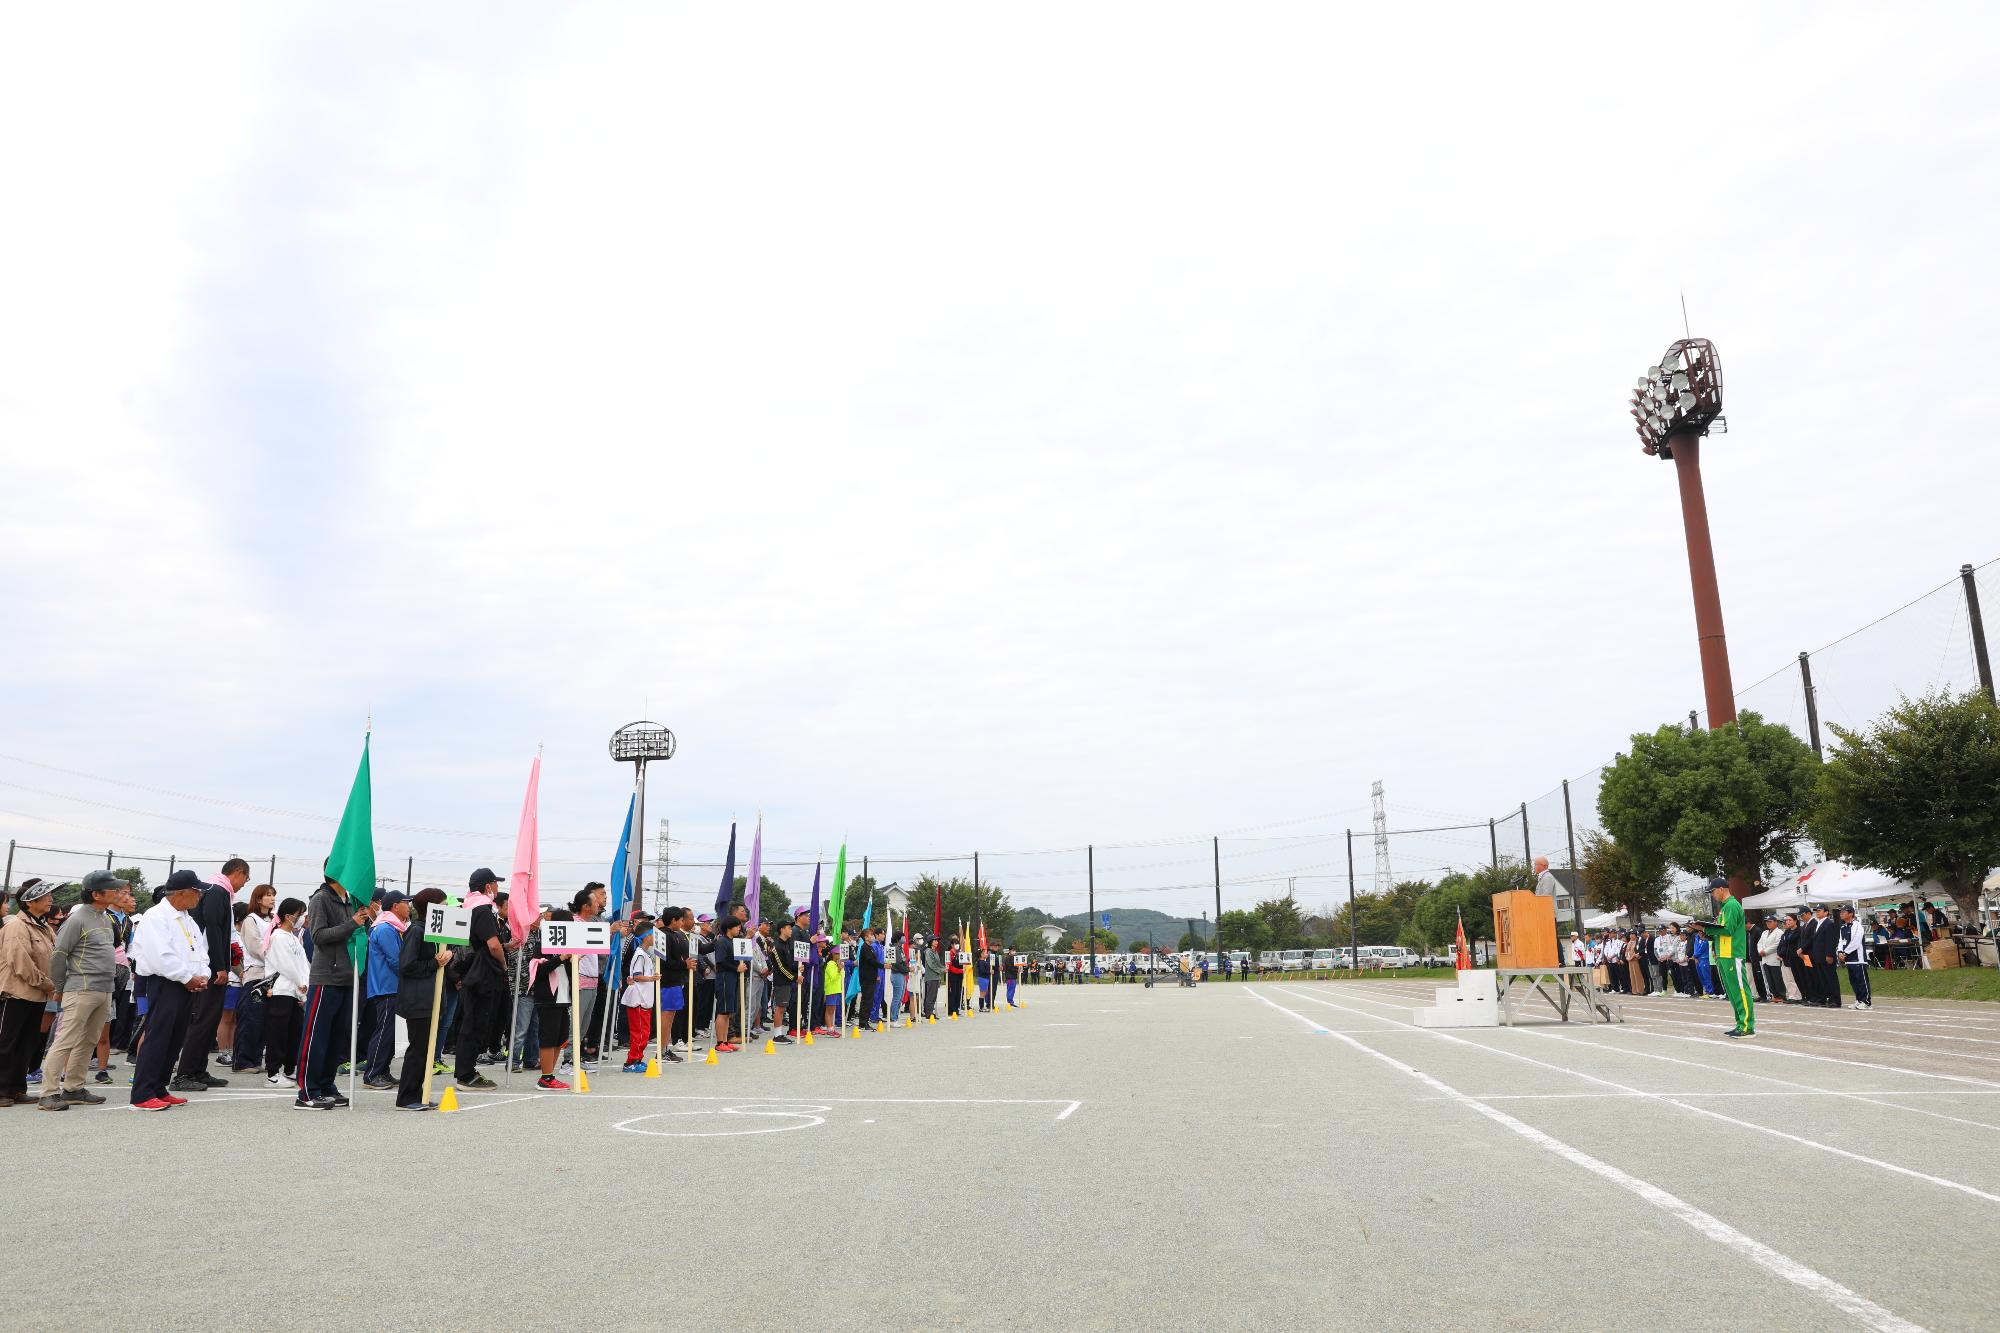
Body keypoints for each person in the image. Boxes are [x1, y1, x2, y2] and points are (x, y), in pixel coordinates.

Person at [40, 871, 125, 1109]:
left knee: (88, 1040)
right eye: (112, 889)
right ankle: (48, 1092)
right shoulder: (77, 919)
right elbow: (58, 955)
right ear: (96, 893)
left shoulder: (105, 918)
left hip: (103, 989)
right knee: (66, 1040)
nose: (117, 892)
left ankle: (73, 1088)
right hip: (81, 988)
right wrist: (59, 986)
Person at [129, 876, 212, 1110]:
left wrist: (202, 974)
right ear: (181, 893)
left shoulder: (188, 919)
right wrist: (187, 977)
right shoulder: (156, 916)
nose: (200, 896)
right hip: (165, 982)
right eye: (197, 892)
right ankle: (142, 1093)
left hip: (187, 983)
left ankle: (159, 1087)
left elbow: (200, 951)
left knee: (175, 1038)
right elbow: (161, 956)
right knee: (158, 1036)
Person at [298, 868, 373, 1110]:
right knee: (317, 1036)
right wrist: (351, 923)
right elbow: (318, 935)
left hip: (346, 975)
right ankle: (307, 1091)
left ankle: (327, 1085)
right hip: (326, 976)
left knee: (336, 1037)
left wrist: (359, 922)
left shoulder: (349, 900)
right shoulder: (321, 899)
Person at [170, 865, 236, 1093]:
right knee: (202, 1021)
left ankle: (198, 1070)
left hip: (206, 966)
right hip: (208, 968)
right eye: (245, 877)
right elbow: (213, 930)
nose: (244, 882)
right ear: (237, 873)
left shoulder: (216, 892)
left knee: (209, 1021)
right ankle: (185, 1073)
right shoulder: (217, 891)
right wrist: (219, 966)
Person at [0, 878, 60, 1108]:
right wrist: (46, 983)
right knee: (7, 1043)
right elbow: (20, 962)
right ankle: (1, 1090)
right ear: (30, 902)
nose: (51, 900)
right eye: (46, 897)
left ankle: (16, 1089)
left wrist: (48, 984)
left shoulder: (43, 926)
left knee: (27, 1043)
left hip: (37, 994)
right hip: (16, 994)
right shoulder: (16, 926)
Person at [453, 868, 507, 1092]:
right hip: (483, 973)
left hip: (474, 970)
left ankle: (467, 1070)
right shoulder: (482, 909)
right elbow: (492, 945)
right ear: (487, 886)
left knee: (475, 1022)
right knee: (475, 1023)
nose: (497, 888)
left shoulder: (470, 906)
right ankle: (465, 1074)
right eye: (495, 884)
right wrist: (503, 962)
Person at [360, 890, 409, 1089]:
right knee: (383, 1031)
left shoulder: (391, 927)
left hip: (390, 986)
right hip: (386, 986)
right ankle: (372, 1074)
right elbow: (396, 961)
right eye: (406, 903)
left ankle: (383, 1070)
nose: (409, 907)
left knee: (389, 1032)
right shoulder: (386, 928)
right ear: (395, 906)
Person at [1694, 879, 1753, 1038]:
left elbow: (1727, 930)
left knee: (1740, 990)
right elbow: (1722, 932)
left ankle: (1747, 1026)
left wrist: (1705, 928)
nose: (1712, 895)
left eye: (1712, 891)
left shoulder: (1732, 906)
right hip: (1724, 954)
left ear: (1721, 889)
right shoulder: (1726, 907)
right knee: (1733, 992)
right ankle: (1740, 1024)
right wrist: (1707, 935)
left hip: (1732, 954)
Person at [527, 908, 575, 1089]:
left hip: (563, 997)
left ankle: (550, 1075)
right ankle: (545, 1077)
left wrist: (571, 960)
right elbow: (539, 970)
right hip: (548, 998)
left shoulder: (569, 944)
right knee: (548, 1037)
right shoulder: (543, 943)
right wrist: (560, 958)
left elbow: (569, 973)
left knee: (560, 1037)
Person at [262, 899, 309, 1086]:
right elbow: (286, 965)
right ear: (289, 916)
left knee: (294, 1032)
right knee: (277, 1033)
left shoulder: (294, 938)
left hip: (295, 993)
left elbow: (303, 964)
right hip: (280, 990)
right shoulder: (278, 937)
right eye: (300, 914)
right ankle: (273, 1073)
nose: (302, 918)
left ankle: (289, 1070)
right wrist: (300, 983)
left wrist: (304, 987)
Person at [231, 886, 275, 1072]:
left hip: (273, 975)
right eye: (268, 895)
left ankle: (255, 1058)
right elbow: (255, 946)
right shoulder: (251, 920)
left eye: (274, 895)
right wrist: (278, 957)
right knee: (251, 1018)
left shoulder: (274, 920)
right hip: (256, 975)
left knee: (264, 1020)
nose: (272, 899)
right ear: (258, 899)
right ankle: (243, 1060)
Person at [620, 914, 659, 1072]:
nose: (655, 938)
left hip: (644, 998)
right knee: (639, 1032)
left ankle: (637, 1059)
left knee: (644, 1032)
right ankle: (631, 1062)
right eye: (654, 935)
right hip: (638, 998)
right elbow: (636, 976)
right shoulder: (640, 955)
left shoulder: (645, 954)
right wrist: (652, 978)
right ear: (647, 937)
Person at [714, 918, 747, 1051]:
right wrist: (736, 968)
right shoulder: (722, 941)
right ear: (729, 928)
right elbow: (720, 962)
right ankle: (719, 1042)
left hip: (732, 978)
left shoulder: (733, 942)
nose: (739, 929)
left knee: (728, 1012)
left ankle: (725, 1041)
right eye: (737, 927)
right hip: (724, 977)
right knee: (722, 1011)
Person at [1837, 905, 1873, 1011]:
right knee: (1854, 981)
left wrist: (1845, 952)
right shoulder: (1843, 927)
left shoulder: (1857, 926)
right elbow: (1840, 941)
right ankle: (1859, 999)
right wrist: (1839, 952)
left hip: (1858, 958)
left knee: (1862, 981)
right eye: (1841, 912)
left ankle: (1866, 1001)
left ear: (1850, 913)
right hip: (1848, 960)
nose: (1841, 914)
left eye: (1843, 912)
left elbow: (1856, 942)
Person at [769, 919, 798, 1042]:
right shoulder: (777, 946)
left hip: (787, 981)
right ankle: (777, 1035)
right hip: (781, 981)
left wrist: (797, 968)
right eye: (789, 928)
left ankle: (779, 1034)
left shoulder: (787, 944)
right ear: (782, 929)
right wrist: (795, 977)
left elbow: (789, 963)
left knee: (783, 1008)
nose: (791, 930)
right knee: (780, 1008)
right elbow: (781, 967)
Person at [1757, 915, 1786, 1002]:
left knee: (1777, 978)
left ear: (1775, 922)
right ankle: (1775, 995)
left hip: (1774, 958)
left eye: (1770, 922)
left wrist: (1766, 951)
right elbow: (1759, 943)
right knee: (1769, 979)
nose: (1768, 924)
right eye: (1767, 922)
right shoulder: (1764, 932)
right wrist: (1760, 951)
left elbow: (1777, 944)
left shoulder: (1779, 932)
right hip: (1765, 959)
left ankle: (1781, 995)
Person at [921, 936, 943, 1019]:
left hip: (936, 977)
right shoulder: (928, 951)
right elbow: (932, 965)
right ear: (930, 942)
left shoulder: (935, 951)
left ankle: (931, 1012)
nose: (936, 942)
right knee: (930, 996)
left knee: (934, 996)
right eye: (935, 940)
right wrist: (941, 970)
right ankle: (928, 1013)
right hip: (930, 977)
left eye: (937, 940)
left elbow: (938, 964)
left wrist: (944, 968)